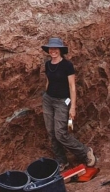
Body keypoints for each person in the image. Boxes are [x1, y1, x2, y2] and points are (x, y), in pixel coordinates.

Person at [40, 37, 96, 171]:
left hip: (62, 101)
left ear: (60, 50)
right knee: (51, 132)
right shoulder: (47, 64)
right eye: (51, 48)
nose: (53, 51)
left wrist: (73, 107)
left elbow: (72, 87)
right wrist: (46, 95)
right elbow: (48, 81)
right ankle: (62, 160)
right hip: (48, 100)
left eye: (56, 48)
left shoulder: (67, 65)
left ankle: (85, 152)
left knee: (60, 133)